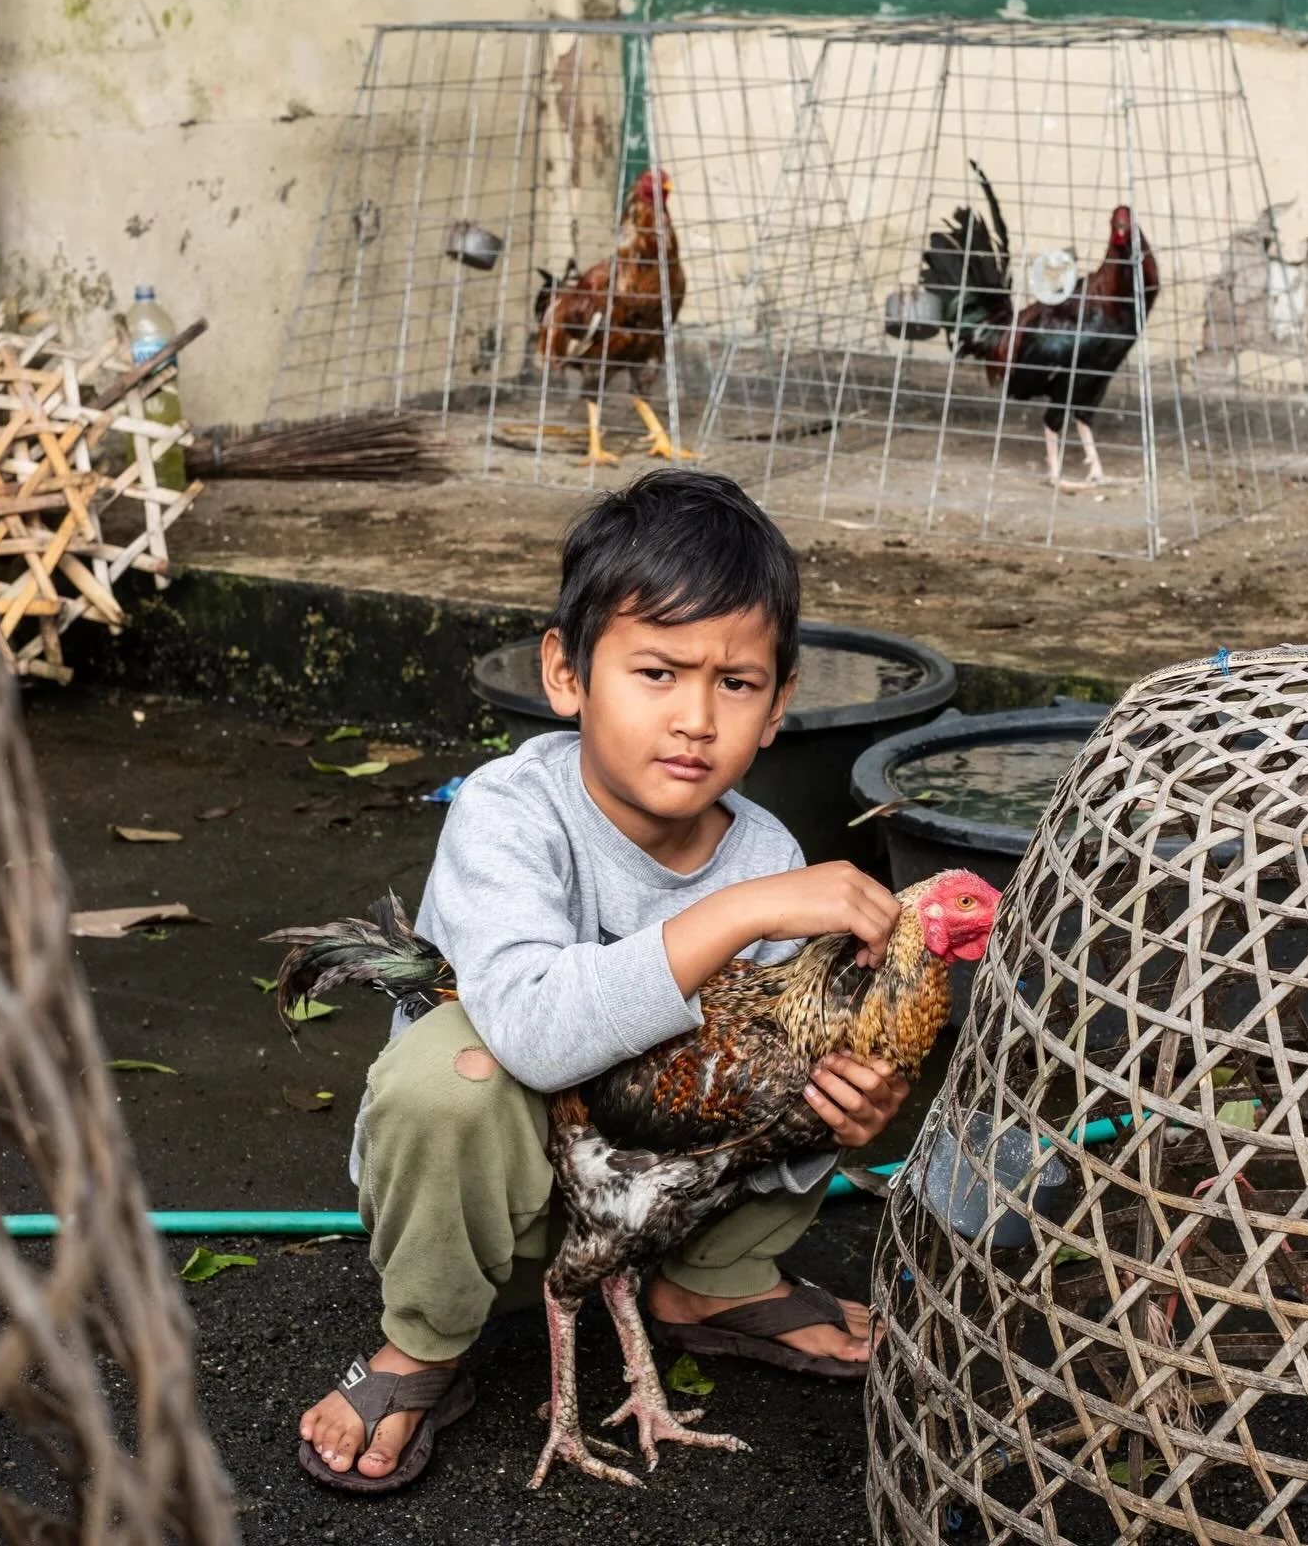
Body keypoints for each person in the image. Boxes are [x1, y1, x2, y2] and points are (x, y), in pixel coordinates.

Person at [298, 470, 909, 1492]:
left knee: (812, 1074)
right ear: (567, 674)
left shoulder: (764, 853)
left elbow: (759, 1092)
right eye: (658, 673)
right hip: (508, 1206)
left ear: (778, 706)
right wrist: (739, 917)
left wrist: (852, 1107)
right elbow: (538, 1034)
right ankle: (427, 1340)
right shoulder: (510, 815)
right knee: (450, 1079)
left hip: (649, 1203)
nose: (697, 719)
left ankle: (708, 1287)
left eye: (737, 684)